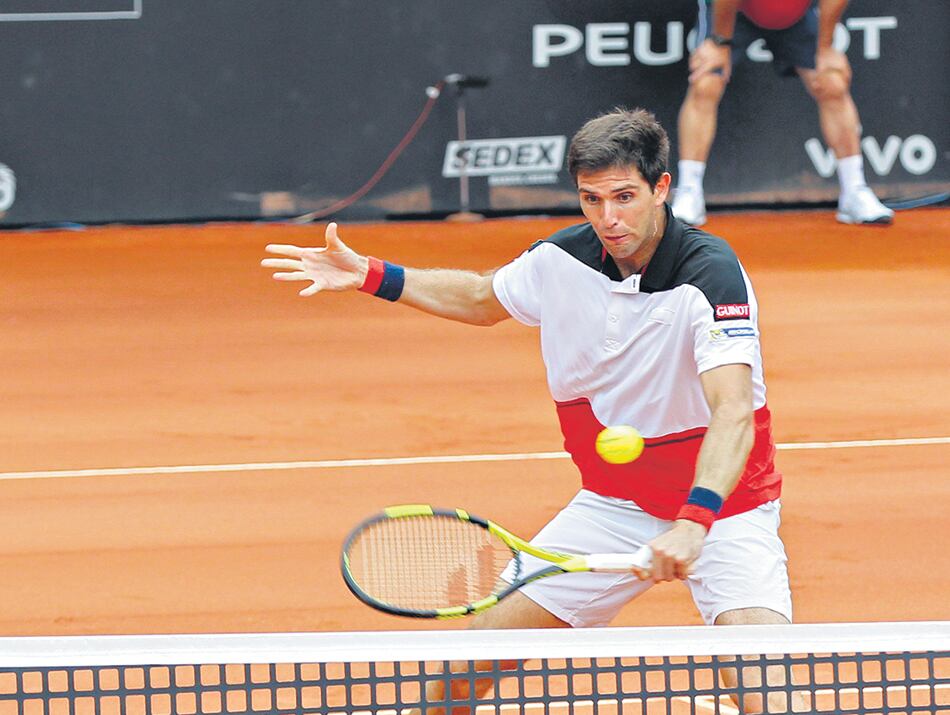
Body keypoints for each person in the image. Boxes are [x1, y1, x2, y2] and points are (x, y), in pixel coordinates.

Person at [263, 108, 792, 711]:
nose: (609, 219)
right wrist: (371, 274)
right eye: (592, 200)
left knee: (766, 696)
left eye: (624, 197)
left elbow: (733, 412)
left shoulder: (712, 277)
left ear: (662, 188)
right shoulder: (559, 260)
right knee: (468, 667)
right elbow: (484, 298)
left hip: (727, 515)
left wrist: (696, 521)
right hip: (612, 507)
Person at [672, 0, 894, 227]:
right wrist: (720, 42)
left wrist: (825, 49)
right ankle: (690, 191)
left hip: (795, 14)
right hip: (733, 10)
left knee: (832, 83)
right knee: (706, 82)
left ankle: (854, 190)